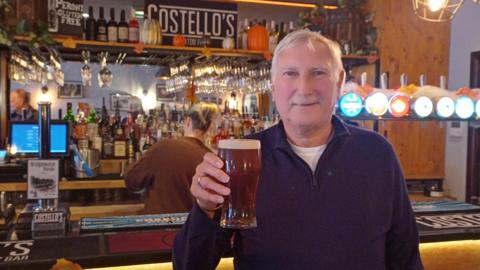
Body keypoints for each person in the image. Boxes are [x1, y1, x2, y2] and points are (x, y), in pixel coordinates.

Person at [173, 30, 423, 270]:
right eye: (290, 73)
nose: (304, 88)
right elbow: (189, 265)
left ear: (340, 82)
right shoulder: (240, 157)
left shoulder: (376, 153)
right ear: (273, 86)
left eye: (318, 72)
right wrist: (205, 208)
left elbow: (405, 259)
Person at [124, 102, 219, 214]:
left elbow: (132, 180)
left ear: (188, 121)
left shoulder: (164, 147)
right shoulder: (211, 159)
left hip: (159, 227)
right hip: (194, 228)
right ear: (208, 127)